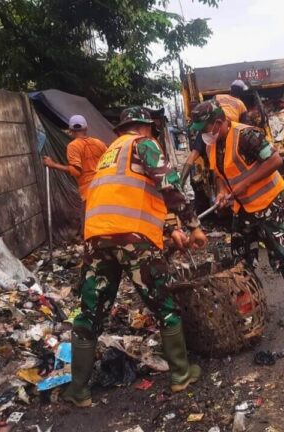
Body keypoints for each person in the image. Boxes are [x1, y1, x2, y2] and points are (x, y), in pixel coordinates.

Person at [62, 107, 208, 407]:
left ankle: (79, 390)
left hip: (96, 237)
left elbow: (136, 193)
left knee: (90, 312)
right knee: (163, 303)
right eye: (152, 130)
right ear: (145, 127)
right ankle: (181, 375)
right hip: (134, 240)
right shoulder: (144, 144)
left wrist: (171, 228)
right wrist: (193, 225)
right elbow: (169, 185)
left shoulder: (109, 154)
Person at [189, 99, 284, 327]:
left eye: (204, 129)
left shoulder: (247, 136)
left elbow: (275, 160)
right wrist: (223, 192)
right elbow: (219, 174)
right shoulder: (212, 144)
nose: (203, 134)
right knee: (241, 256)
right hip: (242, 207)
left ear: (219, 122)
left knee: (281, 251)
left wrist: (243, 184)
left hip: (268, 203)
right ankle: (250, 306)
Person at [179, 80, 251, 186]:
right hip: (224, 130)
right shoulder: (241, 104)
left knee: (194, 153)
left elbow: (207, 108)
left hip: (209, 126)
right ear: (241, 92)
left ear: (231, 89)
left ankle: (181, 182)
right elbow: (245, 125)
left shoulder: (217, 96)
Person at [42, 115, 108, 204]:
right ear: (86, 128)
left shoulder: (73, 146)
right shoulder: (99, 143)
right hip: (105, 187)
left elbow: (76, 171)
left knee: (90, 217)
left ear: (70, 130)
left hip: (89, 191)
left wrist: (53, 165)